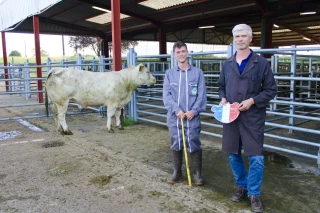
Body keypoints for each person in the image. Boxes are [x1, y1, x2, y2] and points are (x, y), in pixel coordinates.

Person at [218, 24, 277, 213]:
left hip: (253, 117)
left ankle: (254, 193)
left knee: (256, 157)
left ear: (251, 38)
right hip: (231, 116)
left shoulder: (261, 63)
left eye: (244, 36)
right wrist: (223, 98)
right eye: (237, 36)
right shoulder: (227, 64)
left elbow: (271, 90)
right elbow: (221, 86)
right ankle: (241, 185)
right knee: (233, 153)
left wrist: (253, 100)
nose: (240, 39)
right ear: (233, 39)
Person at [163, 41, 207, 186]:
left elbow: (201, 95)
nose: (181, 54)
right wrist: (177, 110)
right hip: (175, 117)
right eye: (178, 52)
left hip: (192, 117)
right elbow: (167, 96)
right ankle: (177, 172)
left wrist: (194, 111)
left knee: (193, 141)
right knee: (176, 142)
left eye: (183, 51)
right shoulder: (169, 74)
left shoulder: (197, 73)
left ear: (187, 52)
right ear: (174, 55)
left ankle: (197, 173)